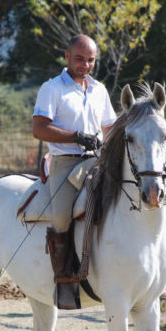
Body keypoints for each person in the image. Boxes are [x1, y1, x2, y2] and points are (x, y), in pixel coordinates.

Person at [32, 34, 117, 309]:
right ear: (67, 56)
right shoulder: (52, 88)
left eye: (91, 60)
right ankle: (64, 279)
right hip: (66, 162)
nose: (85, 65)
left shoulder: (100, 90)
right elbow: (39, 128)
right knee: (62, 216)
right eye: (80, 59)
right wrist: (76, 136)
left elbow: (110, 128)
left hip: (97, 159)